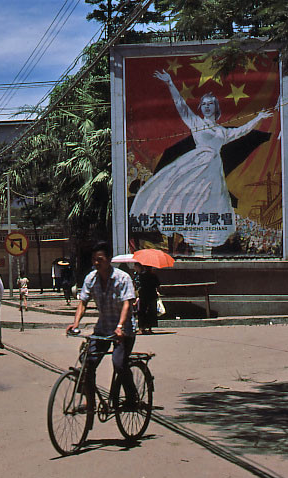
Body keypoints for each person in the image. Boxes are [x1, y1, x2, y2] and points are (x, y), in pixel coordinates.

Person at [129, 70, 273, 255]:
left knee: (209, 207)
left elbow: (242, 131)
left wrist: (258, 118)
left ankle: (204, 252)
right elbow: (181, 107)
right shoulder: (196, 123)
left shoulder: (223, 132)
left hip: (214, 173)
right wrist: (170, 83)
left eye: (210, 104)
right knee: (192, 204)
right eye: (203, 104)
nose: (206, 106)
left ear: (216, 107)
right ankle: (196, 249)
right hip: (196, 167)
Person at [66, 241, 138, 410]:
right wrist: (75, 324)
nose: (96, 263)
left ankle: (131, 397)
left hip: (124, 330)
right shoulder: (91, 278)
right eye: (94, 259)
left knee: (119, 363)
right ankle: (88, 400)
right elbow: (83, 303)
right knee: (87, 362)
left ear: (109, 259)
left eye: (100, 259)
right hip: (103, 328)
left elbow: (127, 304)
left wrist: (120, 326)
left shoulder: (122, 278)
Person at [135, 263, 160, 334]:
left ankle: (141, 328)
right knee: (151, 312)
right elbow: (157, 285)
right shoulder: (154, 276)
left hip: (144, 295)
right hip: (151, 295)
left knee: (142, 312)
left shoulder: (141, 275)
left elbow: (138, 285)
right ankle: (149, 328)